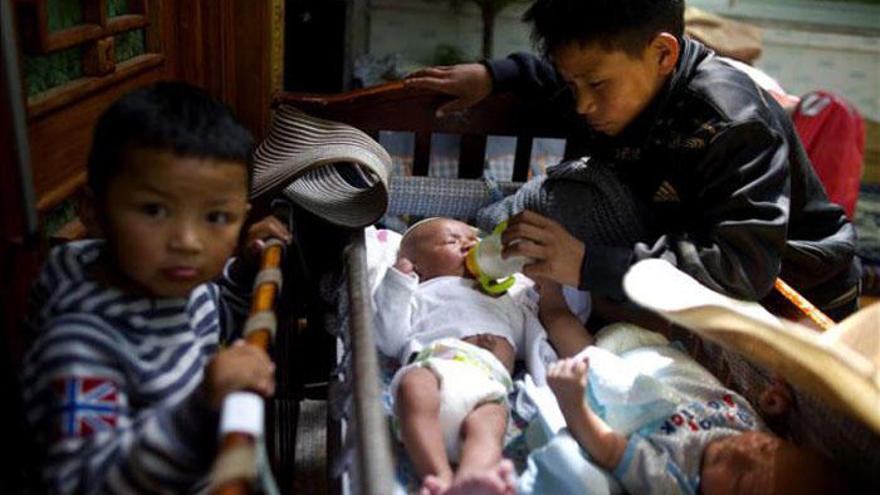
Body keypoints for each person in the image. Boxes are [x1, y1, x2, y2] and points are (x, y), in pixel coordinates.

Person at [406, 0, 860, 321]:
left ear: (663, 53)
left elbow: (742, 269)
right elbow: (559, 78)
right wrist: (494, 75)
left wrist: (587, 264)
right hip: (691, 250)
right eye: (573, 85)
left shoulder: (729, 122)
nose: (581, 106)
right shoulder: (618, 83)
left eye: (597, 87)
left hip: (795, 292)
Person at [21, 82, 292, 494]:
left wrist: (243, 271)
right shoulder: (79, 346)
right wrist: (201, 405)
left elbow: (216, 318)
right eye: (154, 210)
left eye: (216, 216)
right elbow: (83, 484)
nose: (187, 241)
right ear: (93, 211)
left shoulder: (188, 288)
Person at [538, 281, 842, 495]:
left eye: (741, 485)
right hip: (665, 352)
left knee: (566, 330)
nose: (742, 454)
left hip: (615, 378)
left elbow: (610, 450)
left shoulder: (673, 480)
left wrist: (573, 401)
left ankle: (548, 293)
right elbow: (761, 426)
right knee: (632, 301)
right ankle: (590, 286)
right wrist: (771, 408)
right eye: (766, 448)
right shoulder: (762, 441)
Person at [373, 217, 533, 495]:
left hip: (488, 381)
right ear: (418, 266)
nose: (469, 245)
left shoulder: (500, 296)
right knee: (413, 385)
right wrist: (398, 282)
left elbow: (525, 336)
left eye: (473, 240)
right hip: (435, 368)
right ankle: (439, 476)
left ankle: (475, 473)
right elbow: (388, 338)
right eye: (452, 240)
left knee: (492, 419)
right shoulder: (419, 292)